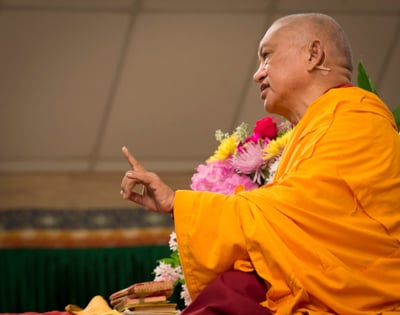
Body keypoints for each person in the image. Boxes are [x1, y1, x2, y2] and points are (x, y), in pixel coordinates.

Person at [119, 13, 400, 314]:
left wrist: (178, 203)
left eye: (266, 57)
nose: (257, 74)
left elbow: (291, 213)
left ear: (313, 54)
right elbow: (289, 222)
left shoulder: (357, 121)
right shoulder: (316, 129)